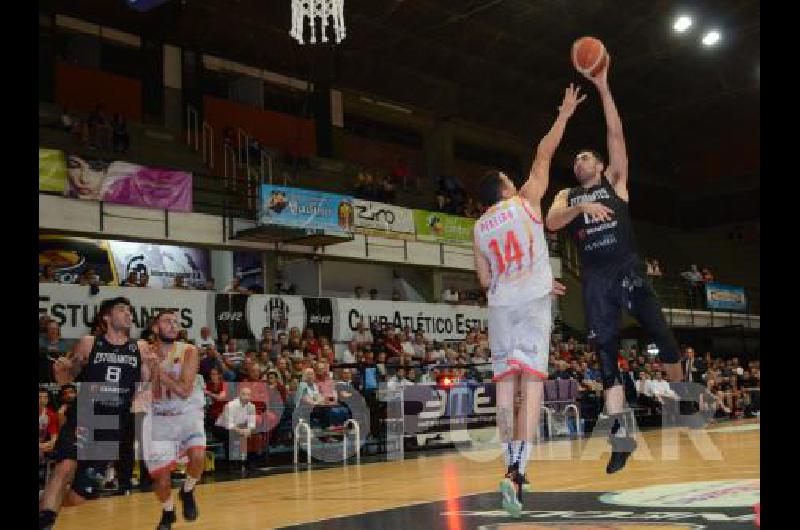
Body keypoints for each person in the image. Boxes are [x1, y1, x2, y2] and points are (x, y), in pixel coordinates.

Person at [545, 55, 683, 475]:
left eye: (588, 157)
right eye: (577, 159)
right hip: (596, 282)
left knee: (661, 335)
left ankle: (684, 394)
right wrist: (581, 204)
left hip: (628, 272)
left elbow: (615, 132)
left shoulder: (616, 184)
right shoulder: (567, 196)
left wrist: (604, 87)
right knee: (606, 361)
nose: (580, 161)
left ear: (602, 165)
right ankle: (621, 440)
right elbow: (551, 223)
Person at [473, 84, 582, 516]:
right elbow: (544, 151)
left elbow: (485, 279)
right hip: (533, 305)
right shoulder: (525, 200)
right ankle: (518, 471)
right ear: (504, 186)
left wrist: (534, 278)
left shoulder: (478, 228)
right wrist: (565, 114)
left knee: (506, 391)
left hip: (501, 307)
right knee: (533, 387)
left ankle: (507, 466)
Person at [39, 297, 156, 530]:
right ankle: (46, 521)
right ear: (106, 316)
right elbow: (66, 379)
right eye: (122, 309)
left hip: (112, 424)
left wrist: (152, 368)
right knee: (65, 466)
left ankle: (47, 507)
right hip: (86, 413)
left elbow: (145, 386)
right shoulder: (89, 343)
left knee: (80, 496)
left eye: (130, 311)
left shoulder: (140, 348)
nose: (128, 314)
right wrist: (63, 368)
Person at [143, 310, 206, 530]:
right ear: (155, 328)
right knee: (161, 480)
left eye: (175, 322)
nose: (173, 325)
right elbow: (151, 393)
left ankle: (187, 490)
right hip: (159, 417)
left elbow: (184, 390)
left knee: (198, 457)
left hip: (187, 412)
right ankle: (168, 511)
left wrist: (157, 371)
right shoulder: (146, 352)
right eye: (167, 321)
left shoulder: (188, 350)